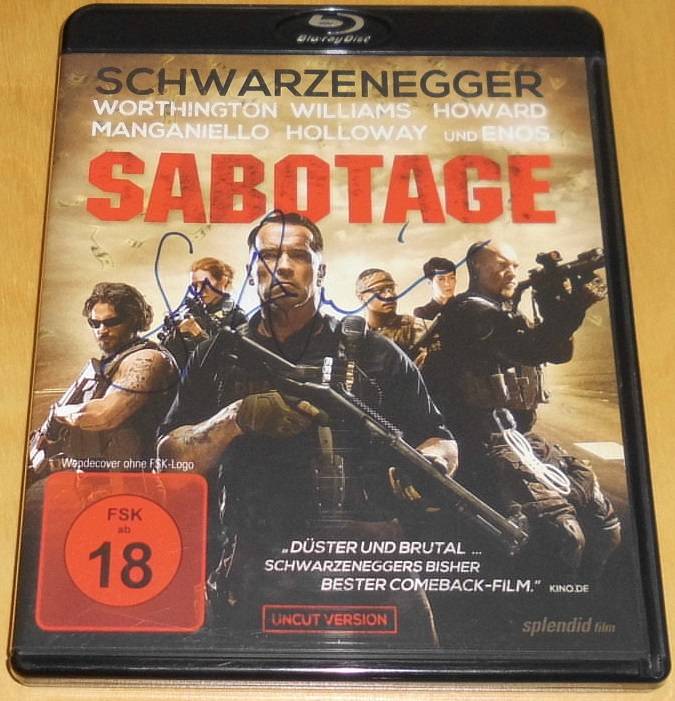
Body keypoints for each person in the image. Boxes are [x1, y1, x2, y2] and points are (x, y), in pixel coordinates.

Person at [157, 212, 457, 644]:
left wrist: (431, 464)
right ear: (251, 271)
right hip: (257, 560)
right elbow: (170, 462)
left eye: (298, 255)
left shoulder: (373, 353)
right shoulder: (215, 356)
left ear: (321, 270)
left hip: (368, 560)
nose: (282, 266)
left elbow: (438, 436)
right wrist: (235, 418)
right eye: (269, 255)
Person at [424, 241, 621, 576]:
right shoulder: (469, 312)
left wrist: (554, 304)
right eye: (501, 265)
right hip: (481, 443)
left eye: (515, 266)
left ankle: (584, 594)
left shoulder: (504, 311)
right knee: (563, 535)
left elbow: (557, 352)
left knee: (605, 523)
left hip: (519, 438)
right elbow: (528, 348)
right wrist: (571, 307)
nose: (511, 272)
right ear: (476, 268)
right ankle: (545, 599)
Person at [28, 282, 177, 476]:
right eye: (95, 323)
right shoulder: (109, 364)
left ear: (133, 320)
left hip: (137, 480)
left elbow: (103, 416)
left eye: (111, 322)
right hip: (96, 477)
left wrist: (57, 414)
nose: (102, 330)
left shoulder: (148, 358)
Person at [160, 256, 247, 369]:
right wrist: (174, 336)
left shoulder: (237, 317)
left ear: (223, 281)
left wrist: (198, 334)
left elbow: (233, 363)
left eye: (205, 284)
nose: (199, 291)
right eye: (195, 286)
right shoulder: (190, 312)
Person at [355, 268, 427, 357]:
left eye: (391, 289)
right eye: (379, 290)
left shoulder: (420, 328)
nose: (390, 295)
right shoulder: (355, 336)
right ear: (361, 297)